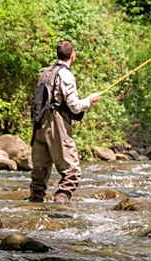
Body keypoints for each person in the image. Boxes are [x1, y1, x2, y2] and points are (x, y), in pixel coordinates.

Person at [29, 40, 101, 203]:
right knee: (72, 171)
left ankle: (34, 206)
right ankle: (60, 204)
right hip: (57, 124)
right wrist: (90, 100)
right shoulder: (66, 75)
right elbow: (75, 107)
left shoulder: (45, 72)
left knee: (39, 172)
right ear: (72, 55)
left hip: (39, 124)